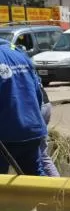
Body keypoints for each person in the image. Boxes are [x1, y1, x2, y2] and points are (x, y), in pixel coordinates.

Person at [0, 37, 50, 176]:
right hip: (31, 126)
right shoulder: (19, 54)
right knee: (35, 175)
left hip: (7, 131)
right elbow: (37, 92)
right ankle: (48, 197)